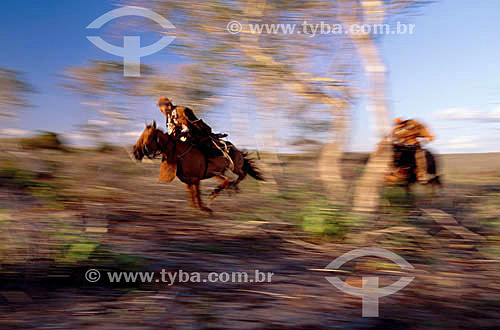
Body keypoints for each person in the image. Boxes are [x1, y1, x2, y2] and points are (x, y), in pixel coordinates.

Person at [157, 96, 231, 161]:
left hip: (193, 134)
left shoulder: (183, 110)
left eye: (161, 108)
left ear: (169, 106)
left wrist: (185, 131)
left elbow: (195, 123)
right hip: (179, 138)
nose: (161, 110)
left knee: (203, 147)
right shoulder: (168, 117)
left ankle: (218, 157)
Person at [389, 117, 435, 183]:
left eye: (400, 123)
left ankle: (422, 175)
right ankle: (391, 172)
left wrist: (428, 137)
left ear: (403, 122)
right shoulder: (395, 130)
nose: (399, 125)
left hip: (413, 146)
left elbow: (422, 129)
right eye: (397, 124)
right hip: (401, 147)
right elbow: (393, 139)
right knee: (391, 154)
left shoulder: (412, 124)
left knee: (420, 156)